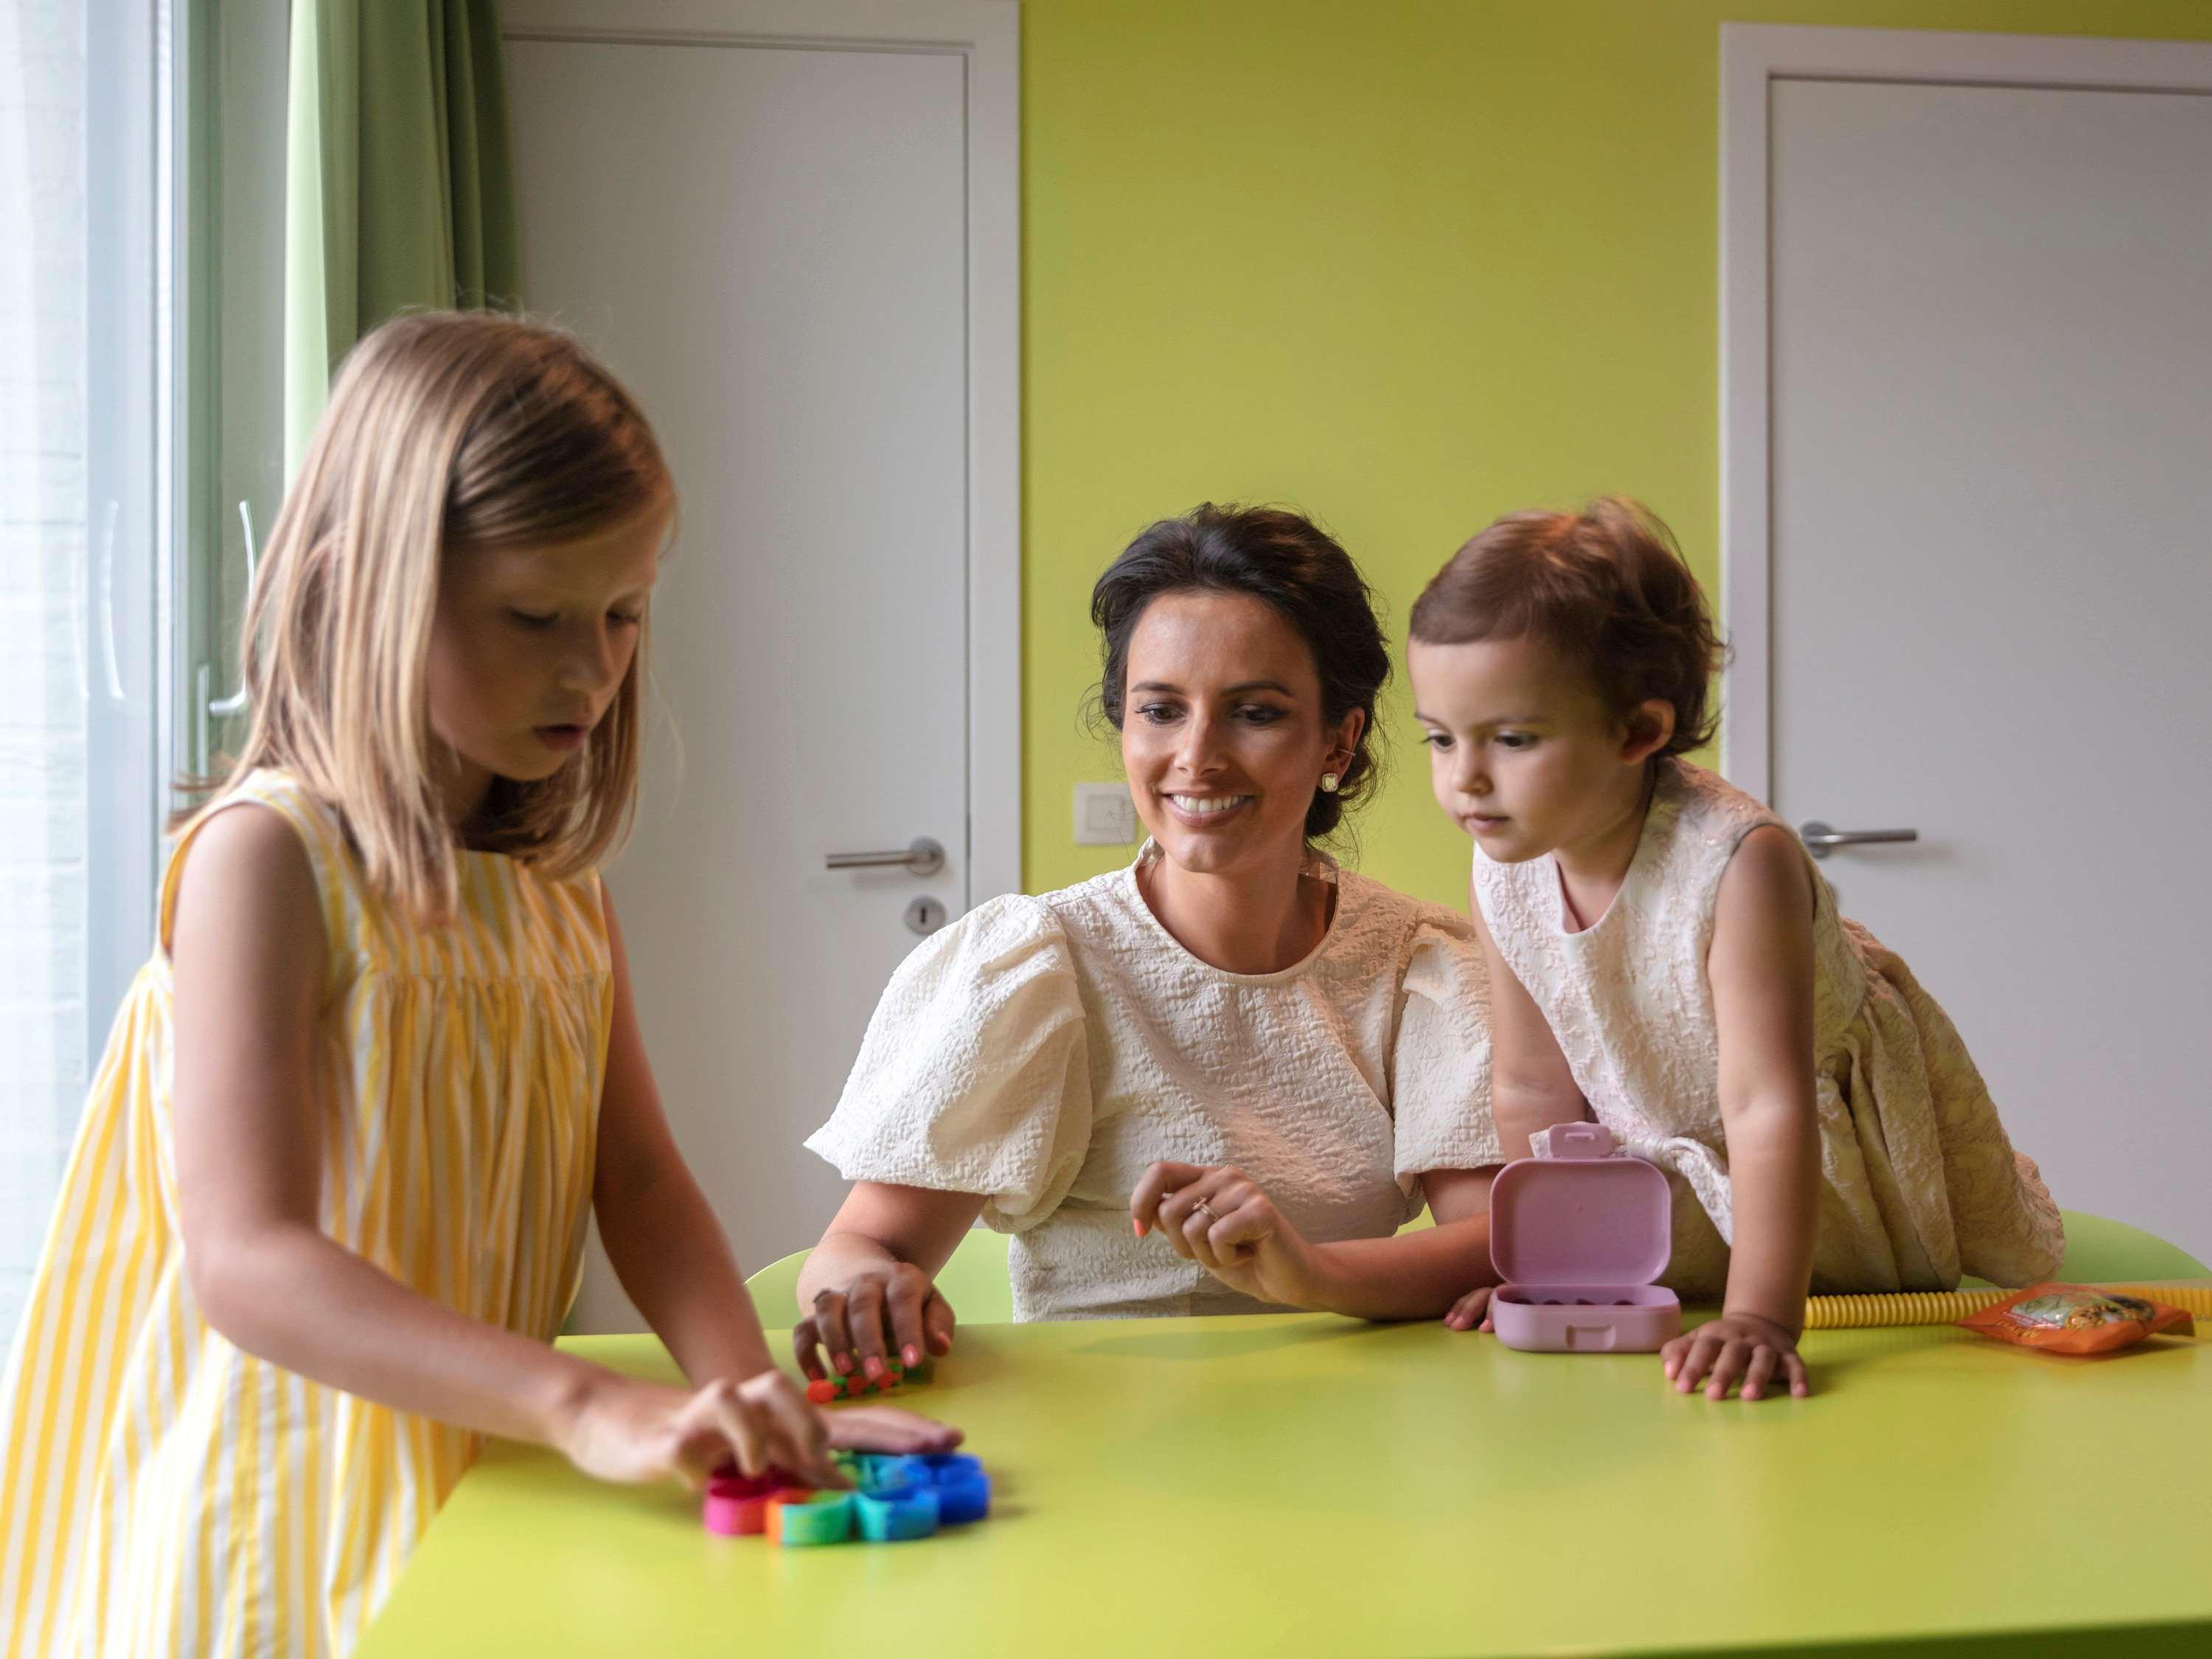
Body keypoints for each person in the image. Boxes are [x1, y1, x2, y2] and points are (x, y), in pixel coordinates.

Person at [0, 312, 953, 1659]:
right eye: (534, 615)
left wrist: (748, 1398)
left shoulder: (562, 888)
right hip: (288, 1504)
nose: (593, 666)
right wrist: (588, 1406)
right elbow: (247, 1262)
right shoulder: (267, 863)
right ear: (361, 590)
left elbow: (639, 1183)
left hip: (480, 1485)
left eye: (625, 612)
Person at [794, 504, 1500, 1377]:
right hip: (1095, 1426)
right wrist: (867, 1290)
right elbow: (860, 1246)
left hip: (1351, 1425)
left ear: (1339, 743)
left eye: (1256, 713)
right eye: (1161, 710)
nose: (1196, 756)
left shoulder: (1415, 961)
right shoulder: (1040, 963)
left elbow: (1492, 1243)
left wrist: (1305, 1272)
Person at [1403, 497, 2063, 1402]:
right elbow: (1531, 1086)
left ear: (1638, 732)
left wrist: (1761, 1315)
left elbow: (1765, 1105)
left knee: (1842, 1277)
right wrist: (1549, 1265)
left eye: (1512, 739)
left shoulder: (1738, 864)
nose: (1463, 780)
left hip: (1803, 1132)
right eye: (1440, 739)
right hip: (1677, 1116)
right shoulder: (1503, 863)